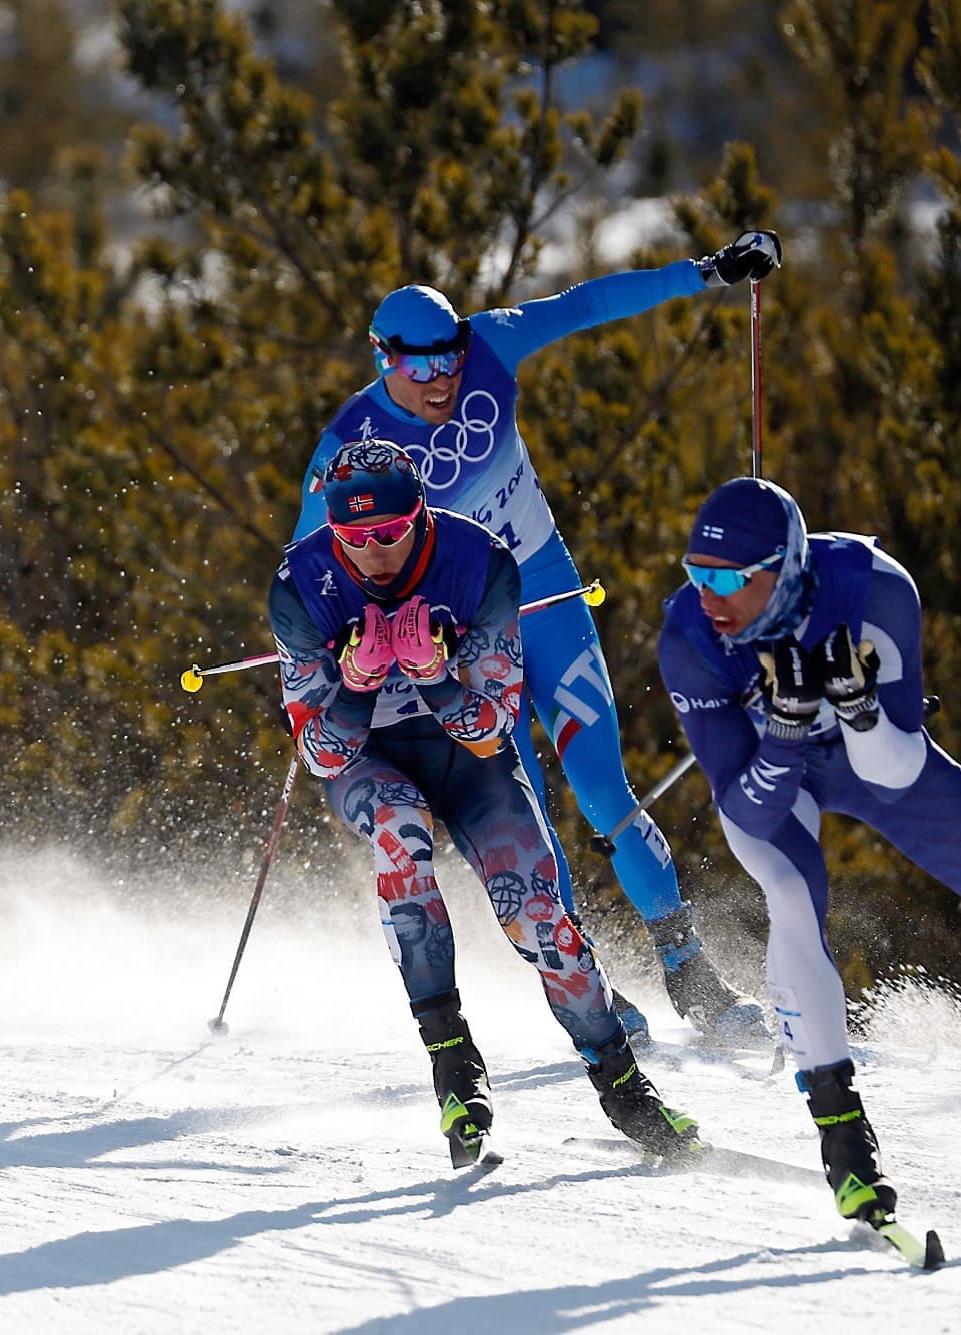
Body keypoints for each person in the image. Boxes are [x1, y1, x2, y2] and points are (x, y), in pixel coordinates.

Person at [292, 233, 786, 1043]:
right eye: (419, 368)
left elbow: (586, 303)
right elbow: (308, 558)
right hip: (465, 638)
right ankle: (594, 987)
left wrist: (707, 273)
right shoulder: (349, 442)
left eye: (449, 359)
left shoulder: (490, 345)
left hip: (547, 592)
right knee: (529, 815)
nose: (442, 379)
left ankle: (692, 972)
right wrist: (330, 646)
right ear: (382, 360)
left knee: (603, 787)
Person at [273, 440, 700, 1167]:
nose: (373, 554)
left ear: (422, 515)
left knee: (537, 912)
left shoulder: (479, 561)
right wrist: (355, 682)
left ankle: (624, 1085)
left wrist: (437, 674)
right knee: (399, 836)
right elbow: (321, 754)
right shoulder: (303, 582)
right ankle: (453, 1065)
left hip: (465, 753)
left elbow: (493, 727)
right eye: (355, 538)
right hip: (371, 758)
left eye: (390, 532)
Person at [659, 477, 961, 1228]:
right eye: (696, 572)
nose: (708, 594)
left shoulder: (875, 589)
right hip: (777, 780)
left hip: (872, 757)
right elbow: (747, 805)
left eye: (726, 577)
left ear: (783, 569)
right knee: (791, 894)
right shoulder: (688, 634)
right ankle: (844, 1134)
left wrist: (856, 707)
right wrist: (785, 730)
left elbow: (897, 770)